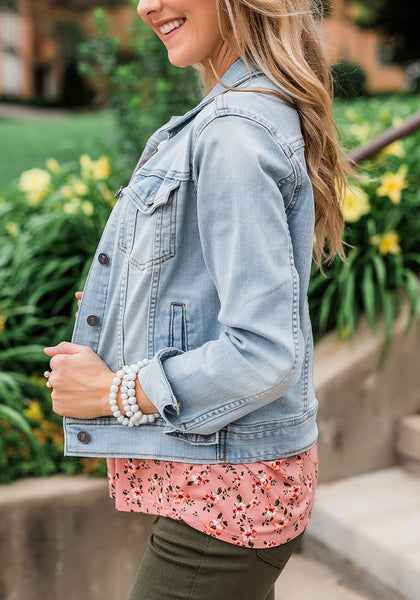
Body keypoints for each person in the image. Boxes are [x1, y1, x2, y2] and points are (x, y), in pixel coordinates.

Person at [44, 1, 348, 598]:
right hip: (229, 481)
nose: (146, 5)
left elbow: (263, 352)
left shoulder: (233, 134)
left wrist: (114, 392)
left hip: (227, 493)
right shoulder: (248, 113)